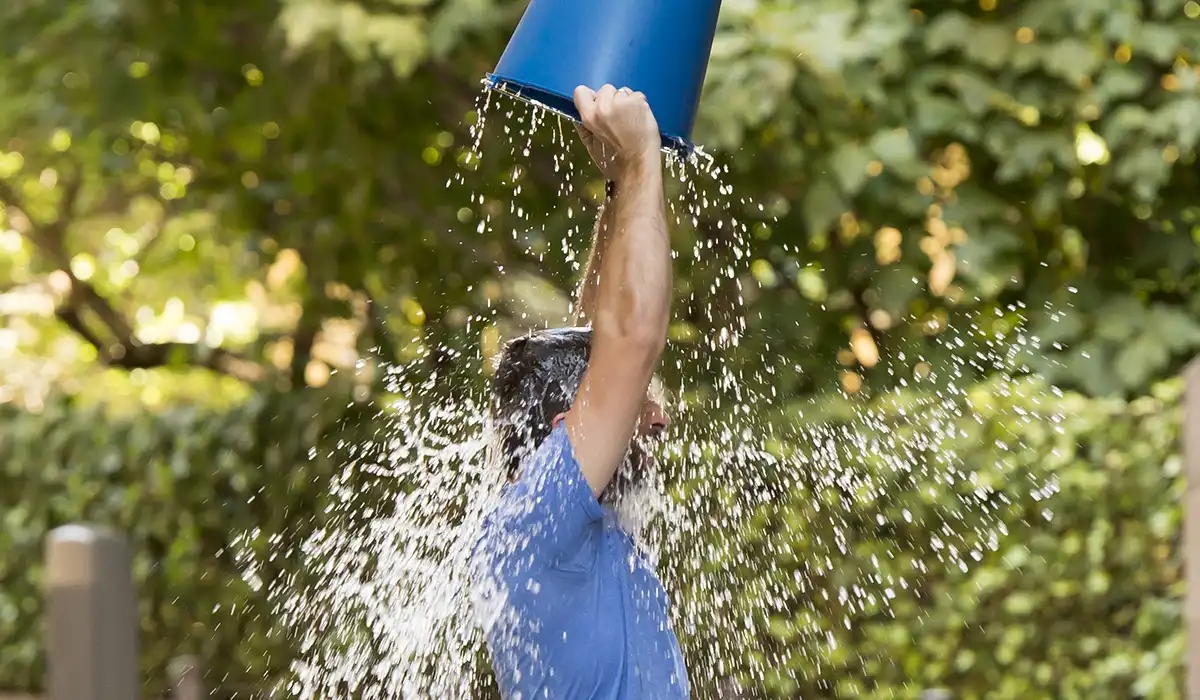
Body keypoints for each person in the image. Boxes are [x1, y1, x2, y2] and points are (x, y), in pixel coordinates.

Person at [470, 83, 687, 699]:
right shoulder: (534, 524)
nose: (657, 419)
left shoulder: (549, 525)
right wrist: (643, 160)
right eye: (639, 402)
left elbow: (597, 333)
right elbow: (629, 339)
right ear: (567, 427)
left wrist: (619, 186)